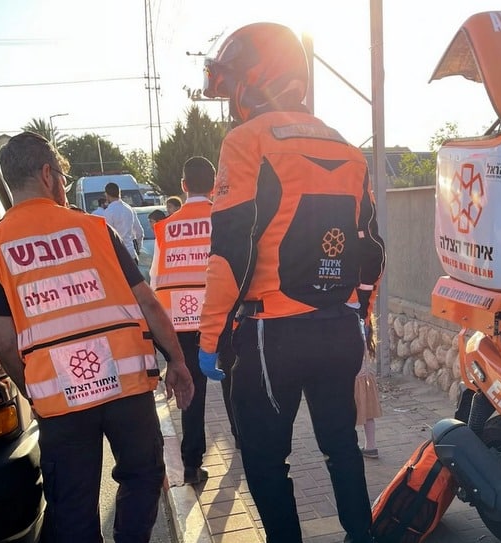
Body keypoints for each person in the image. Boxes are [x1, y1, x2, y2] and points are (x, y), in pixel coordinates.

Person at [198, 22, 386, 543]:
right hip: (339, 328)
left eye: (233, 85)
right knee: (341, 447)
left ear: (254, 78)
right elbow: (371, 249)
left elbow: (229, 253)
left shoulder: (247, 141)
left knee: (266, 461)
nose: (230, 100)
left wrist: (210, 339)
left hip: (271, 335)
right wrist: (362, 314)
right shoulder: (348, 148)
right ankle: (362, 536)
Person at [0, 131, 195, 543]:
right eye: (63, 177)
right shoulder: (95, 229)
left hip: (60, 402)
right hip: (127, 387)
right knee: (143, 475)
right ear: (47, 174)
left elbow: (4, 343)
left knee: (73, 504)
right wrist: (177, 361)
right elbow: (148, 303)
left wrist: (35, 391)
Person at [149, 156, 228, 485]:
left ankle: (192, 464)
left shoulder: (166, 227)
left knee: (191, 390)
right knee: (235, 384)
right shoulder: (223, 219)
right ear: (214, 185)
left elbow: (155, 279)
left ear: (183, 185)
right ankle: (249, 449)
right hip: (221, 317)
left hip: (180, 324)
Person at [355, 316, 382, 459]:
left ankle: (350, 447)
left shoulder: (351, 325)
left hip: (352, 378)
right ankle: (371, 446)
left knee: (348, 414)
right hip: (366, 377)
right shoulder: (364, 325)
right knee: (368, 414)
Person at [104, 181, 143, 264]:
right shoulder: (129, 209)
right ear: (119, 193)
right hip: (131, 253)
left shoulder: (108, 212)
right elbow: (139, 232)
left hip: (118, 256)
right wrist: (138, 249)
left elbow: (107, 235)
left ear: (107, 195)